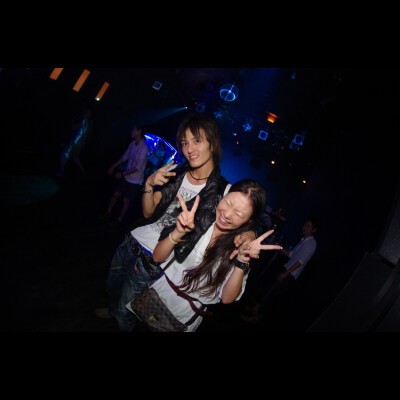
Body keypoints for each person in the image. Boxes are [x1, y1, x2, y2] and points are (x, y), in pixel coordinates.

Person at [95, 112, 257, 331]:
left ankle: (118, 314)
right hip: (132, 240)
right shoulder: (176, 171)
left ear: (212, 143)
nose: (189, 149)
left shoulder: (224, 190)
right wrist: (149, 184)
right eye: (185, 143)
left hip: (154, 258)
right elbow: (148, 213)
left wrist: (250, 234)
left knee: (127, 310)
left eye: (196, 141)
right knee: (112, 286)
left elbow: (245, 217)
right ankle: (112, 310)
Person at [127, 179, 282, 332]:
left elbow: (227, 298)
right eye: (228, 203)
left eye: (238, 213)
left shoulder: (241, 246)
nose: (227, 214)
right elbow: (157, 257)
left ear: (249, 220)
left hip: (183, 315)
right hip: (156, 295)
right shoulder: (199, 220)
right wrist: (178, 232)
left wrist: (241, 261)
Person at [241, 217, 318, 324]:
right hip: (287, 271)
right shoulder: (303, 240)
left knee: (271, 295)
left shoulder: (311, 243)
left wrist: (286, 273)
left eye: (308, 226)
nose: (305, 227)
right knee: (269, 291)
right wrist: (279, 247)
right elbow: (291, 255)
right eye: (305, 225)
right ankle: (255, 309)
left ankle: (256, 317)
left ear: (314, 230)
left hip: (290, 274)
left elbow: (300, 261)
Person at [99, 125, 149, 226]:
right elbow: (125, 156)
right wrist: (113, 166)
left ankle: (119, 219)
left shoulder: (144, 148)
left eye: (133, 130)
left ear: (139, 131)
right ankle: (108, 213)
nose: (131, 131)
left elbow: (137, 167)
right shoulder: (132, 144)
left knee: (126, 200)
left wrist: (122, 174)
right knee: (116, 194)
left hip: (135, 180)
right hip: (127, 176)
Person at [57, 108, 94, 176]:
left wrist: (73, 120)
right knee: (76, 159)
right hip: (79, 145)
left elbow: (74, 128)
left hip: (75, 144)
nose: (86, 114)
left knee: (64, 155)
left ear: (89, 114)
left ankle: (62, 173)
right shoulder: (88, 123)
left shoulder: (86, 122)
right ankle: (85, 175)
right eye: (86, 112)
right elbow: (85, 134)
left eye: (87, 113)